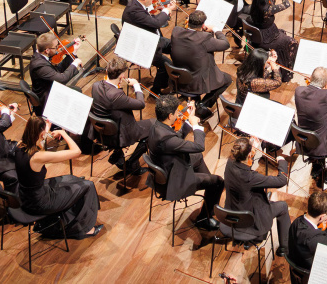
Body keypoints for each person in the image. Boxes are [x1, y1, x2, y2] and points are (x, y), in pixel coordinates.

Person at [14, 116, 102, 238]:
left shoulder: (20, 146)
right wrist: (63, 133)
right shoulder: (38, 157)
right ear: (41, 133)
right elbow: (76, 151)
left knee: (70, 178)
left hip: (25, 196)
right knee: (88, 185)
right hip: (40, 202)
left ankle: (66, 221)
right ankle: (86, 229)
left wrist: (46, 130)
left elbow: (38, 145)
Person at [147, 94, 223, 231]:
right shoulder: (165, 138)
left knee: (198, 158)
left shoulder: (157, 125)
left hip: (170, 167)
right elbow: (199, 146)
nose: (179, 113)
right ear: (170, 115)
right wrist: (196, 126)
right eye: (177, 111)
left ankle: (209, 199)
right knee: (218, 181)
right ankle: (203, 218)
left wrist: (188, 119)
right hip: (174, 180)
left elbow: (176, 140)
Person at [224, 137, 290, 256]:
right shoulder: (250, 178)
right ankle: (285, 248)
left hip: (230, 214)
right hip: (250, 222)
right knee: (283, 206)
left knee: (261, 195)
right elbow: (281, 180)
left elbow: (244, 165)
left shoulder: (229, 163)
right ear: (249, 155)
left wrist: (251, 148)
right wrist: (282, 162)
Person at [88, 54, 152, 175]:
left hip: (101, 130)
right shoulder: (116, 95)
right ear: (122, 76)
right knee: (154, 127)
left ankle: (118, 154)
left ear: (107, 71)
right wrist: (137, 86)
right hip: (116, 134)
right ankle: (132, 163)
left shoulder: (96, 86)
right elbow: (140, 104)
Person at [169, 11, 232, 120]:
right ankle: (203, 104)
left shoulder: (176, 31)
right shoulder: (204, 38)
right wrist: (216, 29)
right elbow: (225, 44)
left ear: (188, 21)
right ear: (203, 25)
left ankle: (196, 101)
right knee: (227, 79)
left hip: (178, 78)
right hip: (196, 83)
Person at [122, 0, 173, 95]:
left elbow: (150, 20)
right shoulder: (134, 10)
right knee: (166, 65)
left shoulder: (137, 5)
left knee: (176, 47)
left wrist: (164, 12)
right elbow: (156, 23)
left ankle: (175, 78)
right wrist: (166, 11)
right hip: (143, 47)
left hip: (151, 40)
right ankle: (155, 91)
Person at [248, 0, 298, 82]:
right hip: (268, 37)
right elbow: (286, 4)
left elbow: (267, 12)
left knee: (283, 33)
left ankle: (282, 63)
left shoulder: (256, 1)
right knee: (293, 42)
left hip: (260, 32)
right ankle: (286, 72)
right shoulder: (267, 9)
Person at [28, 32, 83, 115]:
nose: (58, 48)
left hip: (51, 90)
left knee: (77, 91)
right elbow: (62, 79)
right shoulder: (39, 65)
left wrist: (73, 52)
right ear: (47, 50)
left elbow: (57, 70)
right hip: (47, 101)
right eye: (55, 47)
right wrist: (75, 64)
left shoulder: (40, 57)